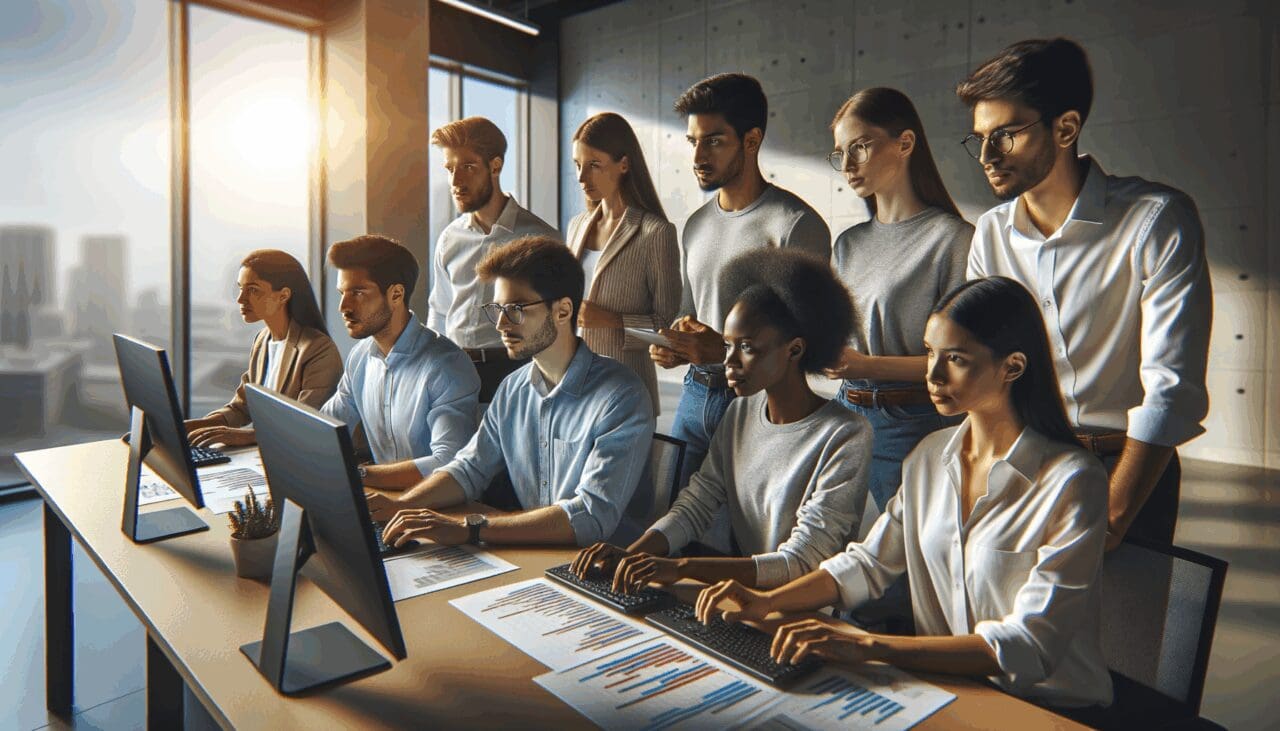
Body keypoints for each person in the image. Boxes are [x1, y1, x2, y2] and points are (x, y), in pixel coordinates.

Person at [696, 277, 1113, 712]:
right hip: (949, 693)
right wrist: (766, 602)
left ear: (1013, 367)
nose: (932, 374)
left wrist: (870, 647)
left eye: (955, 359)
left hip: (1053, 709)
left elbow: (1029, 643)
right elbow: (868, 563)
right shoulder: (929, 458)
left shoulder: (1072, 481)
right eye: (930, 353)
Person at [957, 38, 1211, 547]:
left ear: (1066, 128)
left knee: (1126, 603)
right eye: (980, 138)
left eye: (1004, 136)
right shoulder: (990, 233)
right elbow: (981, 368)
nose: (986, 156)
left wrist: (1113, 515)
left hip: (1128, 470)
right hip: (1025, 466)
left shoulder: (1156, 219)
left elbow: (1172, 387)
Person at [572, 249, 872, 591]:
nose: (729, 362)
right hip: (737, 597)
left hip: (800, 610)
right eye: (727, 345)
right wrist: (631, 554)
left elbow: (801, 562)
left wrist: (682, 568)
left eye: (747, 348)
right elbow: (696, 505)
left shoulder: (846, 435)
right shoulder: (740, 412)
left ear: (794, 350)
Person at [371, 236, 655, 548]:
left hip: (603, 564)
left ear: (562, 311)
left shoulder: (620, 395)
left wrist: (469, 528)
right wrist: (401, 506)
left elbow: (590, 515)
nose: (501, 324)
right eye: (498, 309)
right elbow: (469, 469)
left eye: (516, 308)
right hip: (534, 554)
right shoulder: (513, 388)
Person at [652, 72, 831, 519]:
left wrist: (723, 350)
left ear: (751, 141)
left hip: (760, 405)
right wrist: (677, 344)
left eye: (713, 141)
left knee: (749, 536)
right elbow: (690, 312)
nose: (698, 156)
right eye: (693, 141)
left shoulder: (795, 225)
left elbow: (806, 346)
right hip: (695, 396)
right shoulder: (695, 225)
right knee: (674, 524)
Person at [825, 87, 973, 513]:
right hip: (844, 413)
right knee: (832, 548)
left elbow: (961, 363)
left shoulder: (952, 240)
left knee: (907, 553)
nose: (848, 166)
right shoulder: (847, 244)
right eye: (840, 153)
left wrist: (866, 366)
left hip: (914, 424)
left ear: (905, 143)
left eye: (860, 147)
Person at [321, 235, 481, 490]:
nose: (344, 306)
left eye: (358, 293)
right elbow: (325, 427)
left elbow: (449, 462)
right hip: (382, 498)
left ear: (396, 294)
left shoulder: (446, 365)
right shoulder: (360, 357)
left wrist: (358, 476)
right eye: (342, 293)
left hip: (438, 505)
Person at [427, 116, 560, 402]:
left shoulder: (541, 239)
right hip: (453, 373)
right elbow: (440, 311)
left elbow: (556, 324)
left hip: (515, 373)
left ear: (495, 166)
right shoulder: (449, 238)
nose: (455, 181)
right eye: (449, 169)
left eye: (468, 167)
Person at [566, 112, 680, 413]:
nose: (581, 177)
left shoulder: (656, 233)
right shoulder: (576, 226)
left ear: (624, 165)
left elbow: (665, 328)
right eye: (577, 165)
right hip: (574, 387)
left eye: (594, 165)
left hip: (626, 391)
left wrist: (610, 320)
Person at [186, 249, 341, 447]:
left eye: (253, 290)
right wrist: (194, 426)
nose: (241, 299)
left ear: (283, 295)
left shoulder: (318, 350)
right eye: (240, 288)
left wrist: (244, 436)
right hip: (264, 451)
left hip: (293, 455)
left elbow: (305, 424)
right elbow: (243, 406)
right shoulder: (262, 340)